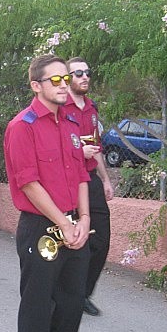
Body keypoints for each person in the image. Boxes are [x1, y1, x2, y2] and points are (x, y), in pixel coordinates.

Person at [4, 54, 91, 332]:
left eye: (66, 79)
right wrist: (64, 222)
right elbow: (28, 183)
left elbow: (82, 174)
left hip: (74, 223)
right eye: (55, 80)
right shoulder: (21, 126)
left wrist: (84, 219)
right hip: (42, 226)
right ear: (36, 86)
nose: (64, 85)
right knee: (39, 303)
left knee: (72, 300)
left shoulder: (71, 123)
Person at [65, 57, 113, 316]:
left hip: (90, 180)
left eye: (87, 72)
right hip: (68, 180)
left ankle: (82, 293)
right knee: (71, 240)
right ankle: (68, 292)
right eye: (78, 73)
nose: (84, 77)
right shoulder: (62, 106)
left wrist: (105, 180)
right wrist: (77, 152)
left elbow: (96, 150)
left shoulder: (91, 109)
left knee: (101, 240)